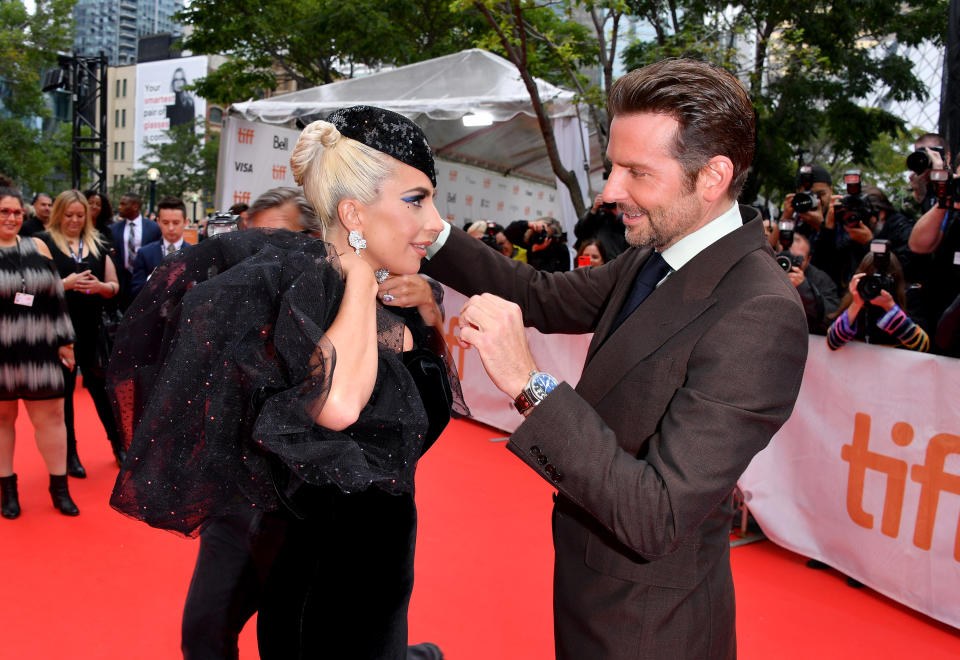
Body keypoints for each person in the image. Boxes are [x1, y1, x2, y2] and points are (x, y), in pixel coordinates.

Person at [421, 58, 808, 659]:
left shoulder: (759, 312)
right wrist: (431, 232)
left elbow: (657, 513)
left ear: (713, 176)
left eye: (636, 172)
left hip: (651, 628)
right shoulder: (656, 252)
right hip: (592, 586)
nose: (609, 192)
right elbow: (539, 297)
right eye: (611, 168)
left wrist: (530, 384)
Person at [107, 106, 466, 660]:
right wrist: (358, 275)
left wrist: (417, 311)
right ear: (353, 211)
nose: (435, 221)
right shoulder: (308, 297)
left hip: (382, 578)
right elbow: (340, 406)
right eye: (416, 199)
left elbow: (419, 409)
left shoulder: (392, 297)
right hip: (325, 600)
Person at [0, 187, 79, 519]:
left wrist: (66, 341)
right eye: (4, 212)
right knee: (2, 420)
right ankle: (7, 490)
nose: (11, 218)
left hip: (40, 347)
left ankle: (59, 488)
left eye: (17, 212)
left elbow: (55, 297)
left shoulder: (37, 246)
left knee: (52, 420)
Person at [38, 190, 123, 477]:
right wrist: (66, 283)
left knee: (103, 392)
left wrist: (100, 287)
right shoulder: (44, 244)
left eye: (80, 215)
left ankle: (119, 446)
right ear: (58, 214)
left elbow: (114, 287)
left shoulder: (97, 243)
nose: (74, 221)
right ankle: (70, 454)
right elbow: (35, 289)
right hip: (59, 331)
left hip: (93, 331)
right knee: (64, 397)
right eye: (69, 215)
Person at [826, 250, 929, 352]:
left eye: (881, 280)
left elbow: (923, 346)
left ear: (894, 279)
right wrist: (856, 304)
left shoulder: (909, 296)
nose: (874, 286)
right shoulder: (857, 299)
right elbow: (832, 343)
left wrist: (891, 308)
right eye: (870, 279)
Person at [130, 196, 190, 298]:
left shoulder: (195, 253)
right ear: (158, 222)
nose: (171, 228)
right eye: (165, 223)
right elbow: (134, 293)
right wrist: (152, 279)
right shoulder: (144, 254)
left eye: (176, 223)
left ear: (185, 222)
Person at [110, 192, 161, 310]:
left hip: (145, 281)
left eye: (123, 204)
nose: (119, 207)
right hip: (122, 282)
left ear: (135, 206)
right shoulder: (114, 229)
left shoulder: (153, 228)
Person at [782, 233, 840, 334]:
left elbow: (832, 316)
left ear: (808, 260)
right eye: (788, 257)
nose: (793, 263)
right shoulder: (769, 268)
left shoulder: (821, 279)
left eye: (799, 259)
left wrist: (804, 287)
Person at [574, 193, 628, 259]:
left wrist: (617, 212)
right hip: (591, 260)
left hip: (615, 261)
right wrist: (593, 210)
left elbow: (632, 231)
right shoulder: (595, 213)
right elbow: (578, 232)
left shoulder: (625, 214)